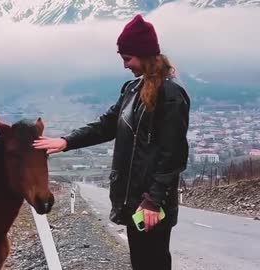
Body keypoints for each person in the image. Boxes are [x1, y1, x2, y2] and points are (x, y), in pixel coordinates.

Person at [33, 14, 190, 270]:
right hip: (134, 201)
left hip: (151, 204)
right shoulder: (131, 90)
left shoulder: (171, 95)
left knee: (155, 263)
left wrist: (153, 200)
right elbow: (106, 126)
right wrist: (65, 141)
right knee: (141, 262)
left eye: (127, 58)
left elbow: (173, 156)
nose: (125, 65)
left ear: (145, 55)